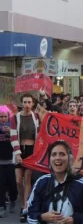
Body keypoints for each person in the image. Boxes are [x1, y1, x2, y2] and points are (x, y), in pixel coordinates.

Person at [26, 140, 83, 224]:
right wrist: (42, 217)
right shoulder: (41, 182)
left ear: (69, 159)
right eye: (54, 154)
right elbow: (30, 213)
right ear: (49, 160)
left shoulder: (80, 183)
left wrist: (74, 220)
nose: (58, 158)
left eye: (62, 154)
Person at [10, 93, 40, 222]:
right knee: (18, 181)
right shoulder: (15, 118)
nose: (27, 105)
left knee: (27, 180)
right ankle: (21, 201)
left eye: (29, 102)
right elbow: (13, 135)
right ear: (21, 103)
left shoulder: (36, 116)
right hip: (19, 150)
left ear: (33, 104)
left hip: (32, 151)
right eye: (25, 102)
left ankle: (25, 207)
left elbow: (43, 131)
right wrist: (17, 153)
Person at [0, 105, 19, 217]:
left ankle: (13, 199)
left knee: (13, 185)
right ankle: (2, 206)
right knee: (0, 185)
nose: (2, 118)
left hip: (11, 161)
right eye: (1, 116)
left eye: (4, 116)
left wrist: (10, 133)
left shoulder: (13, 128)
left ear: (8, 117)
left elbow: (17, 141)